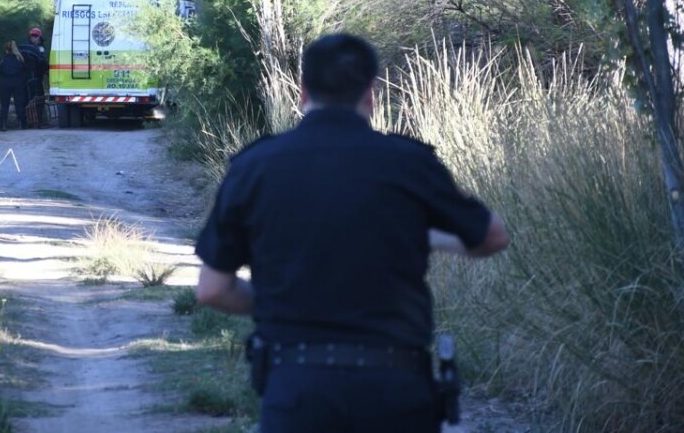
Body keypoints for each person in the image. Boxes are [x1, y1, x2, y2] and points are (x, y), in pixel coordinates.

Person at [194, 33, 510, 433]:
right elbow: (493, 236)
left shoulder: (254, 167)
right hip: (395, 389)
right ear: (371, 93)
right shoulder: (409, 162)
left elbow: (212, 290)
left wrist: (290, 302)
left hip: (297, 388)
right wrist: (426, 236)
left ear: (302, 91)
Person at [19, 27, 49, 129]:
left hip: (25, 78)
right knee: (38, 100)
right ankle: (36, 122)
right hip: (34, 78)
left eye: (36, 36)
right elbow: (42, 64)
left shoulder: (23, 46)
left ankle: (29, 122)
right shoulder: (37, 49)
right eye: (33, 36)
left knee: (28, 100)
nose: (35, 38)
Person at [0, 41, 29, 131]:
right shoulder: (19, 59)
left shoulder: (2, 60)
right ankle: (23, 124)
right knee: (19, 104)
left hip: (5, 83)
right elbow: (25, 71)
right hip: (18, 83)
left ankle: (3, 125)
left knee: (5, 105)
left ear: (6, 50)